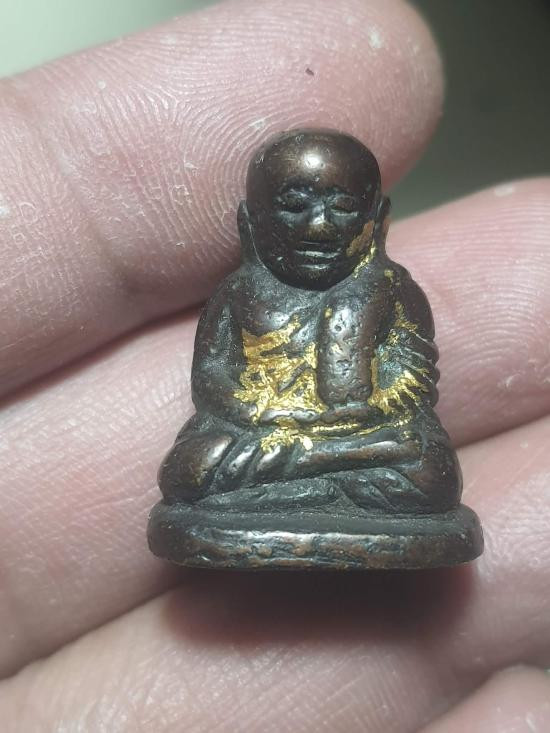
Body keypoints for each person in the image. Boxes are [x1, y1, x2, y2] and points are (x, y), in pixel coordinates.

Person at [0, 0, 548, 730]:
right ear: (250, 221)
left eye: (341, 208)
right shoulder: (239, 294)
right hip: (270, 436)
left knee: (430, 474)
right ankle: (324, 462)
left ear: (376, 220)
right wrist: (275, 423)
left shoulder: (391, 291)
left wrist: (355, 419)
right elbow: (214, 384)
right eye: (294, 205)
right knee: (190, 470)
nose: (319, 227)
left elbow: (417, 382)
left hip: (365, 437)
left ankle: (328, 461)